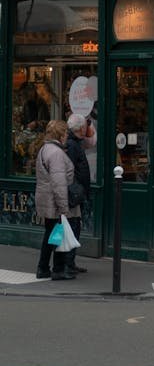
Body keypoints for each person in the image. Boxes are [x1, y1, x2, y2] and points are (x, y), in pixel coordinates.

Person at [34, 119, 81, 281]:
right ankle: (57, 269)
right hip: (55, 203)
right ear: (61, 135)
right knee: (57, 236)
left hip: (47, 200)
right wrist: (64, 208)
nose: (67, 136)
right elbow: (59, 183)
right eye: (66, 133)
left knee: (51, 235)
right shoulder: (56, 154)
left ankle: (43, 268)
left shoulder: (44, 149)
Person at [64, 113, 92, 274]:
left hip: (76, 193)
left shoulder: (74, 143)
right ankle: (68, 263)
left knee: (75, 227)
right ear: (81, 128)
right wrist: (76, 190)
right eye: (85, 126)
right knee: (73, 227)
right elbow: (69, 170)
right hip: (73, 194)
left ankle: (70, 262)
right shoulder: (72, 145)